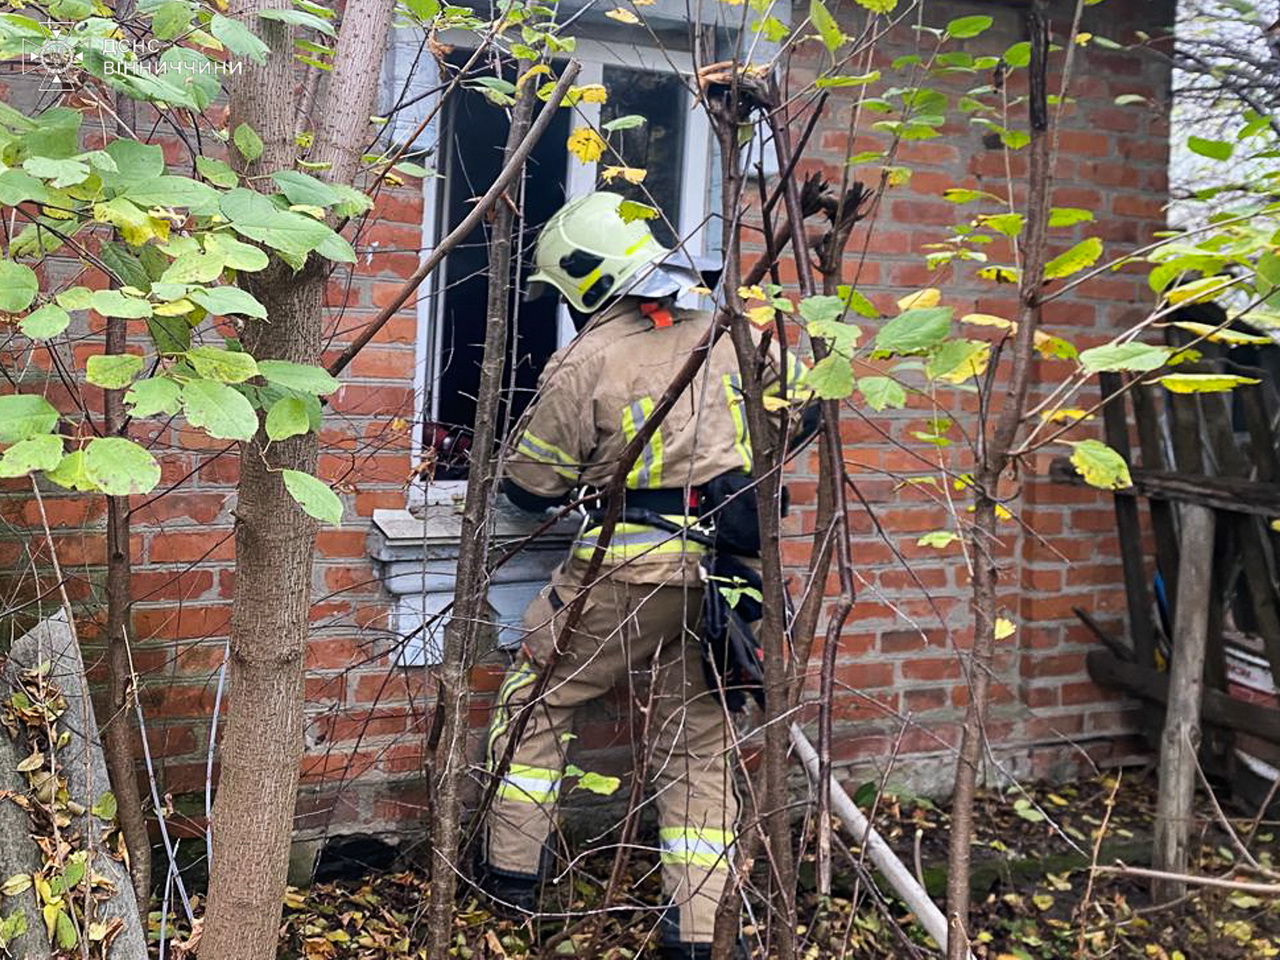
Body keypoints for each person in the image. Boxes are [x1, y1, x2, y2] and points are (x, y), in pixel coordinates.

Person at [478, 191, 811, 960]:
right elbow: (809, 412)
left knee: (538, 701)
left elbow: (530, 489)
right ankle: (698, 932)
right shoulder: (733, 330)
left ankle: (511, 879)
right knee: (698, 746)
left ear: (586, 278)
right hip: (732, 579)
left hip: (628, 574)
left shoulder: (588, 358)